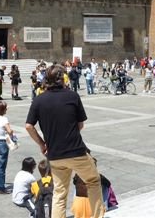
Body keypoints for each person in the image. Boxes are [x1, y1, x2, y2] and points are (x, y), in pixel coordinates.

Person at [25, 65, 105, 218]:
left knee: (60, 193)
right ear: (62, 78)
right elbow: (81, 125)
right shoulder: (72, 96)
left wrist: (42, 144)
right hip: (76, 151)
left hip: (55, 155)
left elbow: (28, 126)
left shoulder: (39, 100)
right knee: (93, 181)